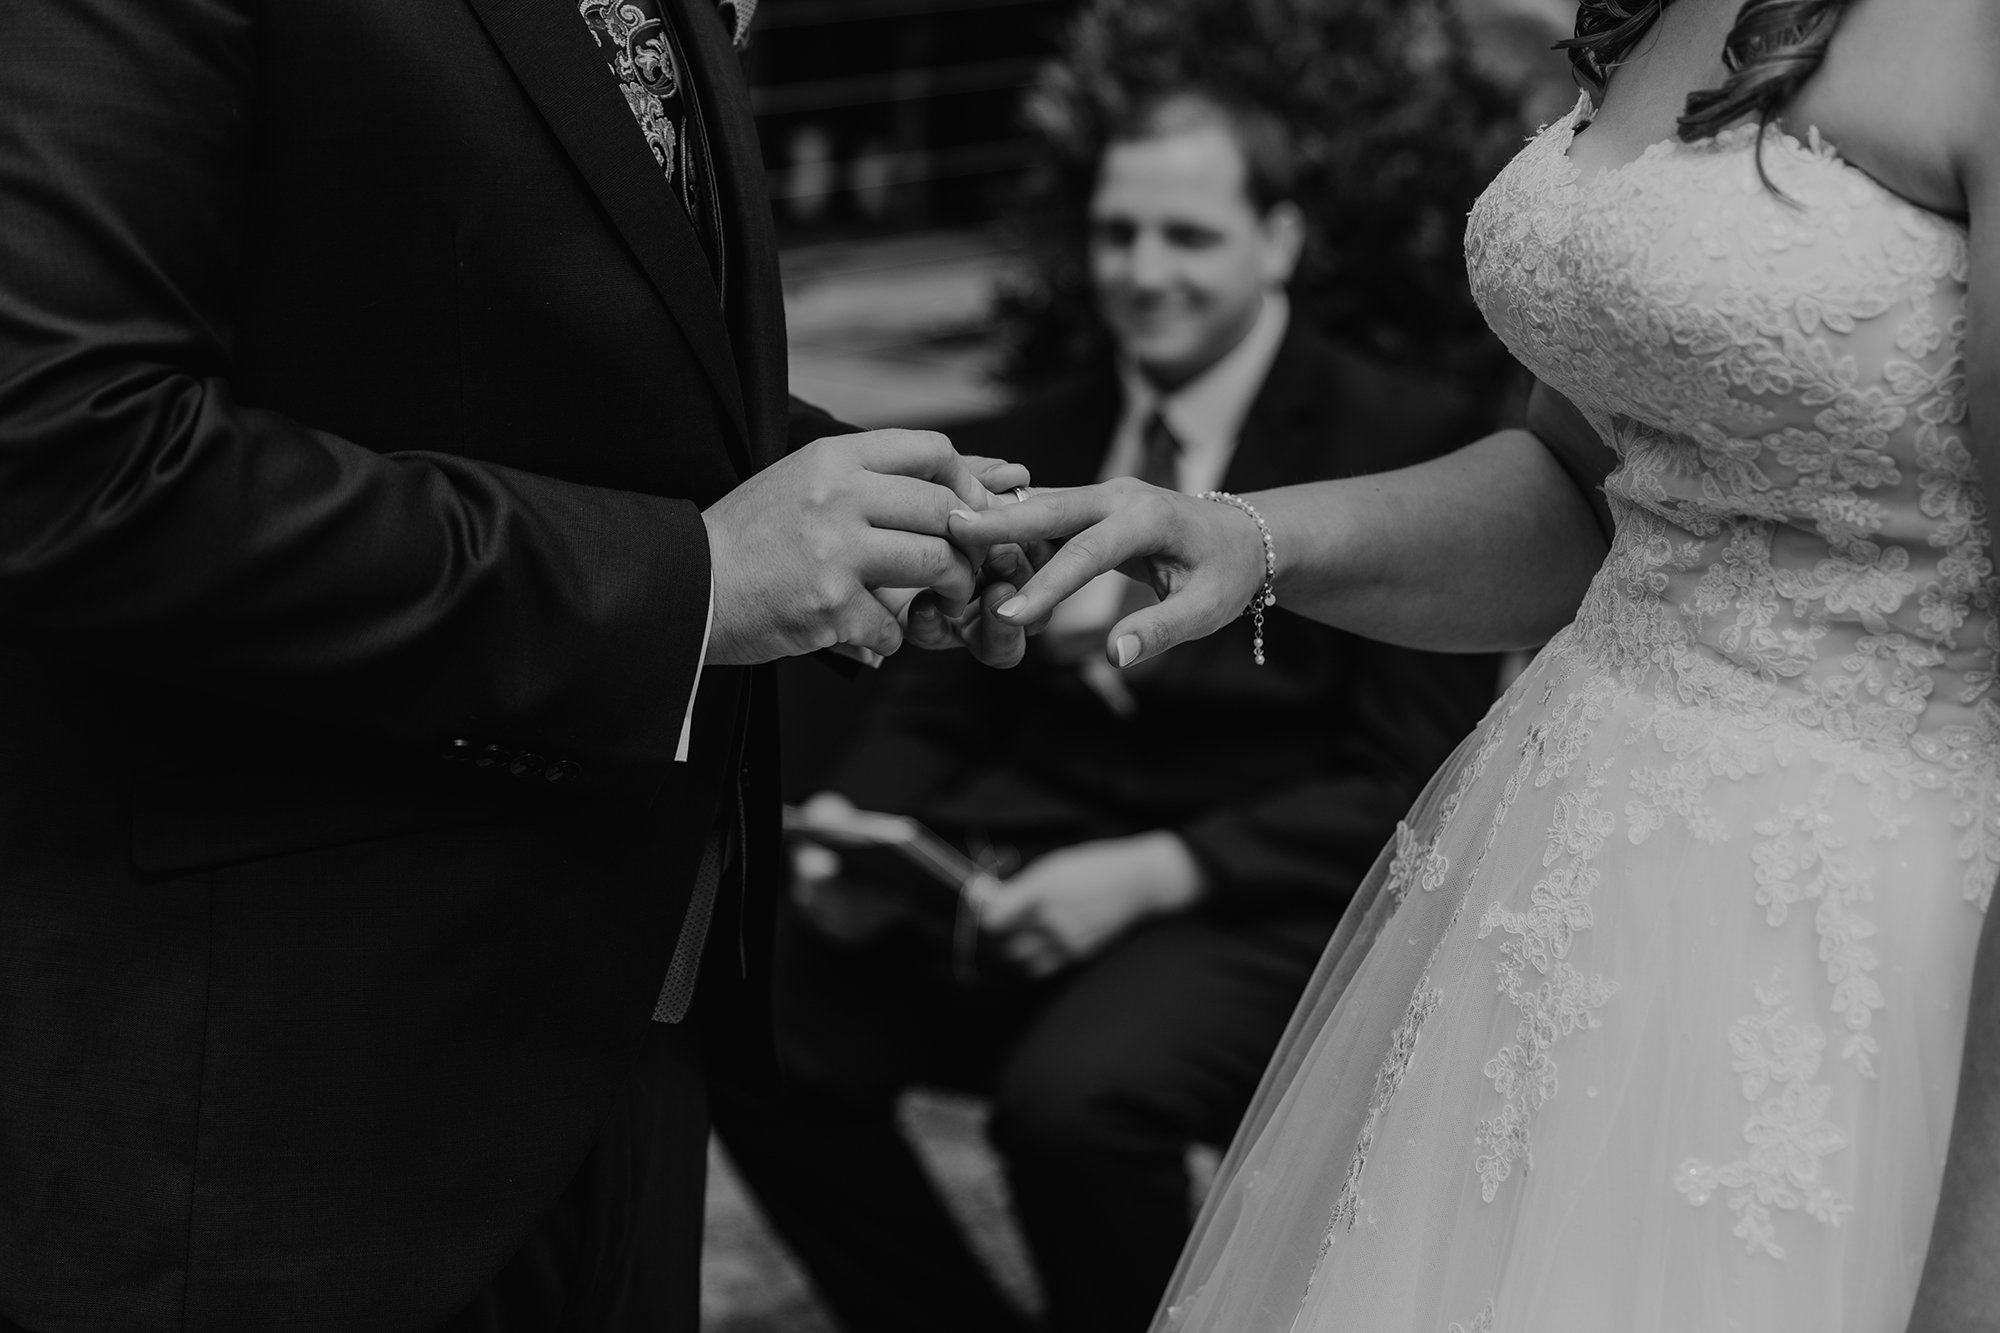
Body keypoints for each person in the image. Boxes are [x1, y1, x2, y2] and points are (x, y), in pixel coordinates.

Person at [955, 0, 2000, 1327]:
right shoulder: (1654, 10)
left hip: (1854, 932)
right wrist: (1250, 534)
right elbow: (1591, 488)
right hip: (1561, 874)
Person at [0, 1, 1028, 1330]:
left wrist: (880, 511)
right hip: (275, 1097)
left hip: (615, 1055)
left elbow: (549, 339)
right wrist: (691, 584)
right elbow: (74, 459)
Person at [712, 89, 1499, 1333]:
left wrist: (1156, 872)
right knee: (754, 1021)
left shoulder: (1403, 443)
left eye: (1186, 236)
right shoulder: (1028, 435)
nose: (1144, 270)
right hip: (1003, 874)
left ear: (1278, 240)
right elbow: (937, 696)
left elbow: (1406, 777)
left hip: (1249, 900)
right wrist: (865, 817)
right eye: (1118, 234)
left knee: (1078, 1108)